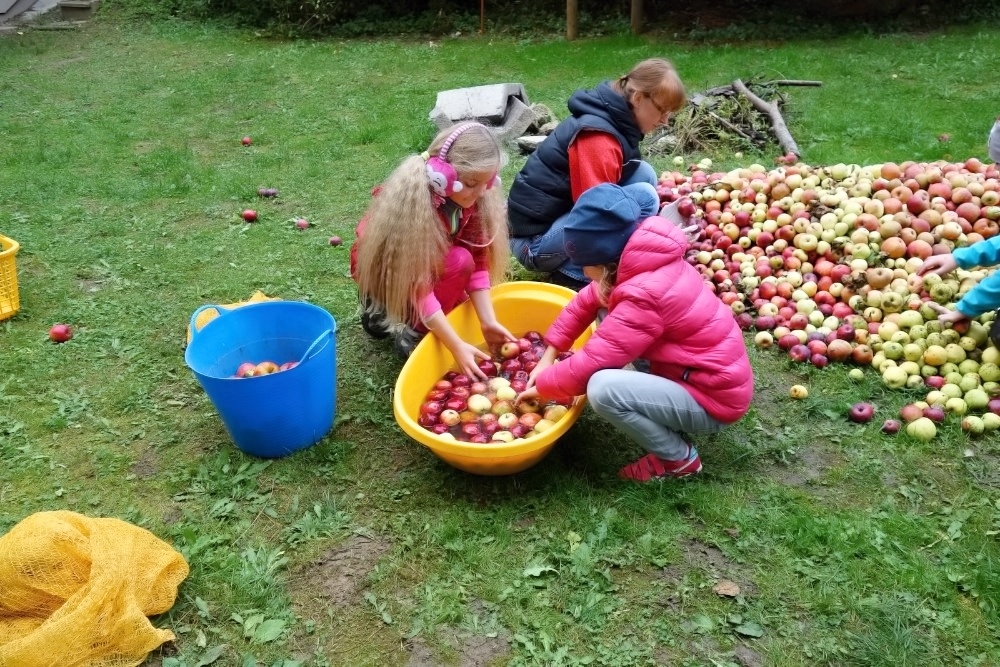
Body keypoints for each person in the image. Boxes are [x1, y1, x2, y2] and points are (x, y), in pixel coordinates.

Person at [515, 183, 754, 482]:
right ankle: (660, 405)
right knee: (603, 309)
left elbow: (592, 364)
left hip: (713, 399)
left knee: (603, 389)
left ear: (602, 262)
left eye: (581, 264)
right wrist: (548, 355)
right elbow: (586, 301)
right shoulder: (638, 262)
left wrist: (542, 388)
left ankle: (679, 459)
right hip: (698, 372)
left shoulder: (643, 294)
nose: (579, 269)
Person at [351, 122, 516, 380]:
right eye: (472, 183)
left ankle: (390, 313)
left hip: (432, 265)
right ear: (443, 177)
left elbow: (480, 258)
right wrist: (455, 345)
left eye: (487, 182)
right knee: (459, 263)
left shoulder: (473, 200)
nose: (482, 191)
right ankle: (404, 326)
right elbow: (420, 286)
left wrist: (488, 321)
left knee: (463, 288)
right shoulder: (417, 209)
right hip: (391, 275)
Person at [507, 58, 686, 289]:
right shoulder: (598, 138)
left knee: (644, 174)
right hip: (533, 244)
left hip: (554, 223)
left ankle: (612, 256)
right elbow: (594, 215)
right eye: (662, 110)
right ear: (638, 98)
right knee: (645, 195)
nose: (665, 121)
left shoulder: (615, 119)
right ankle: (574, 273)